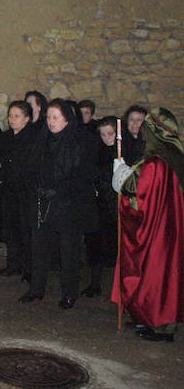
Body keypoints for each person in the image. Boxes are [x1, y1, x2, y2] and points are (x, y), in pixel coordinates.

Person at [111, 108, 183, 342]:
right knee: (168, 274)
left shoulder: (155, 163)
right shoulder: (176, 156)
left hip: (157, 230)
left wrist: (121, 174)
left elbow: (137, 192)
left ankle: (161, 325)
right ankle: (151, 317)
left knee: (156, 273)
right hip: (171, 228)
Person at [20, 100, 97, 309]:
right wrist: (38, 187)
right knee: (39, 247)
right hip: (42, 201)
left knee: (69, 250)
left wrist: (60, 190)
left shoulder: (78, 143)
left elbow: (82, 175)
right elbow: (31, 168)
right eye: (48, 117)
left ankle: (69, 293)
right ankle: (36, 289)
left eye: (55, 118)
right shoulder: (42, 141)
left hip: (68, 204)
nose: (51, 122)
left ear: (66, 119)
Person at [0, 100, 41, 279]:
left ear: (27, 119)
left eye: (17, 116)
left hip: (25, 192)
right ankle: (12, 264)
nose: (12, 119)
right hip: (9, 190)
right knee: (11, 229)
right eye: (10, 116)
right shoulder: (6, 138)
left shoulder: (33, 139)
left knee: (25, 231)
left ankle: (28, 269)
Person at [84, 116, 121, 297]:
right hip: (99, 204)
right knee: (96, 244)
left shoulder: (123, 152)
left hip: (116, 205)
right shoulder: (95, 152)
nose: (107, 138)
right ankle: (95, 283)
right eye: (103, 134)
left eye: (110, 134)